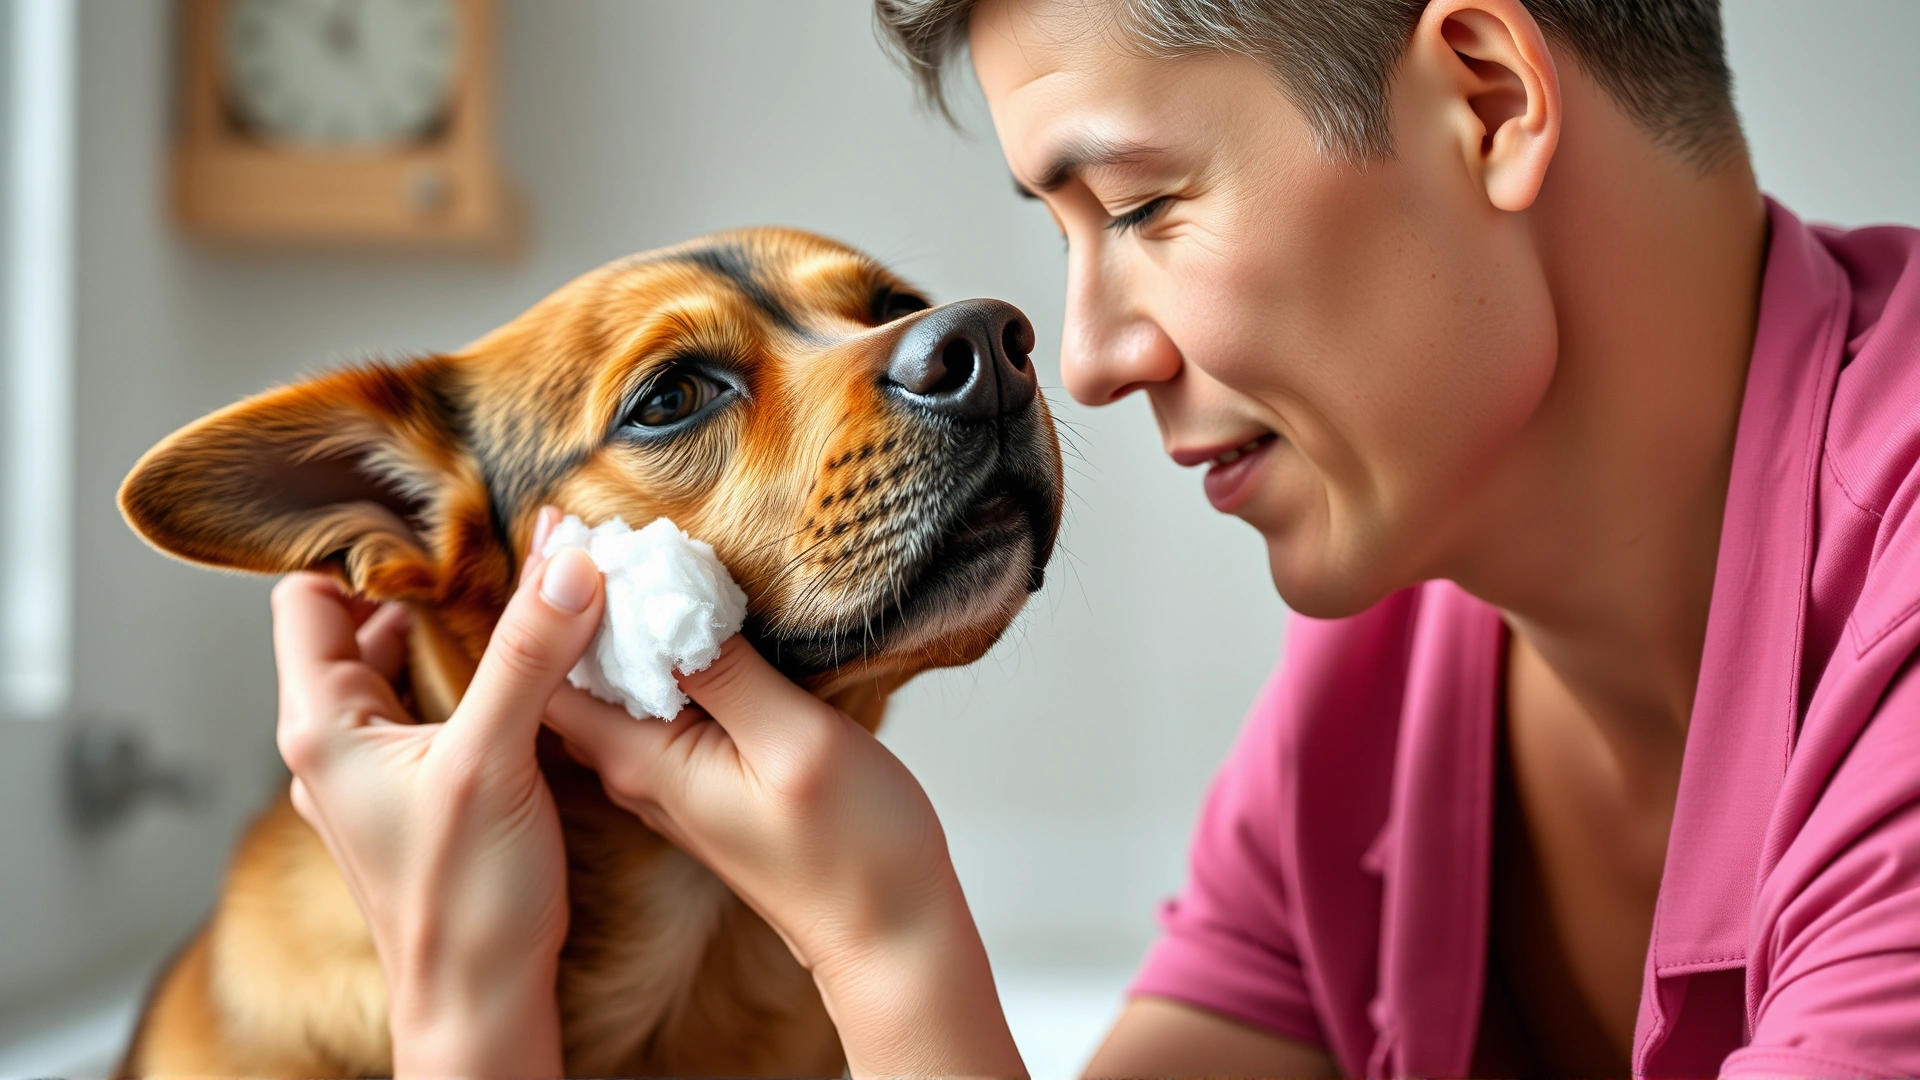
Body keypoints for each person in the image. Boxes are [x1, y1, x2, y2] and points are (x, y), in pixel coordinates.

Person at [273, 0, 1920, 1075]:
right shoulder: (1387, 674)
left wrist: (888, 940)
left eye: (1138, 209)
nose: (1087, 359)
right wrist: (480, 1006)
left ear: (1484, 99)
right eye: (1065, 234)